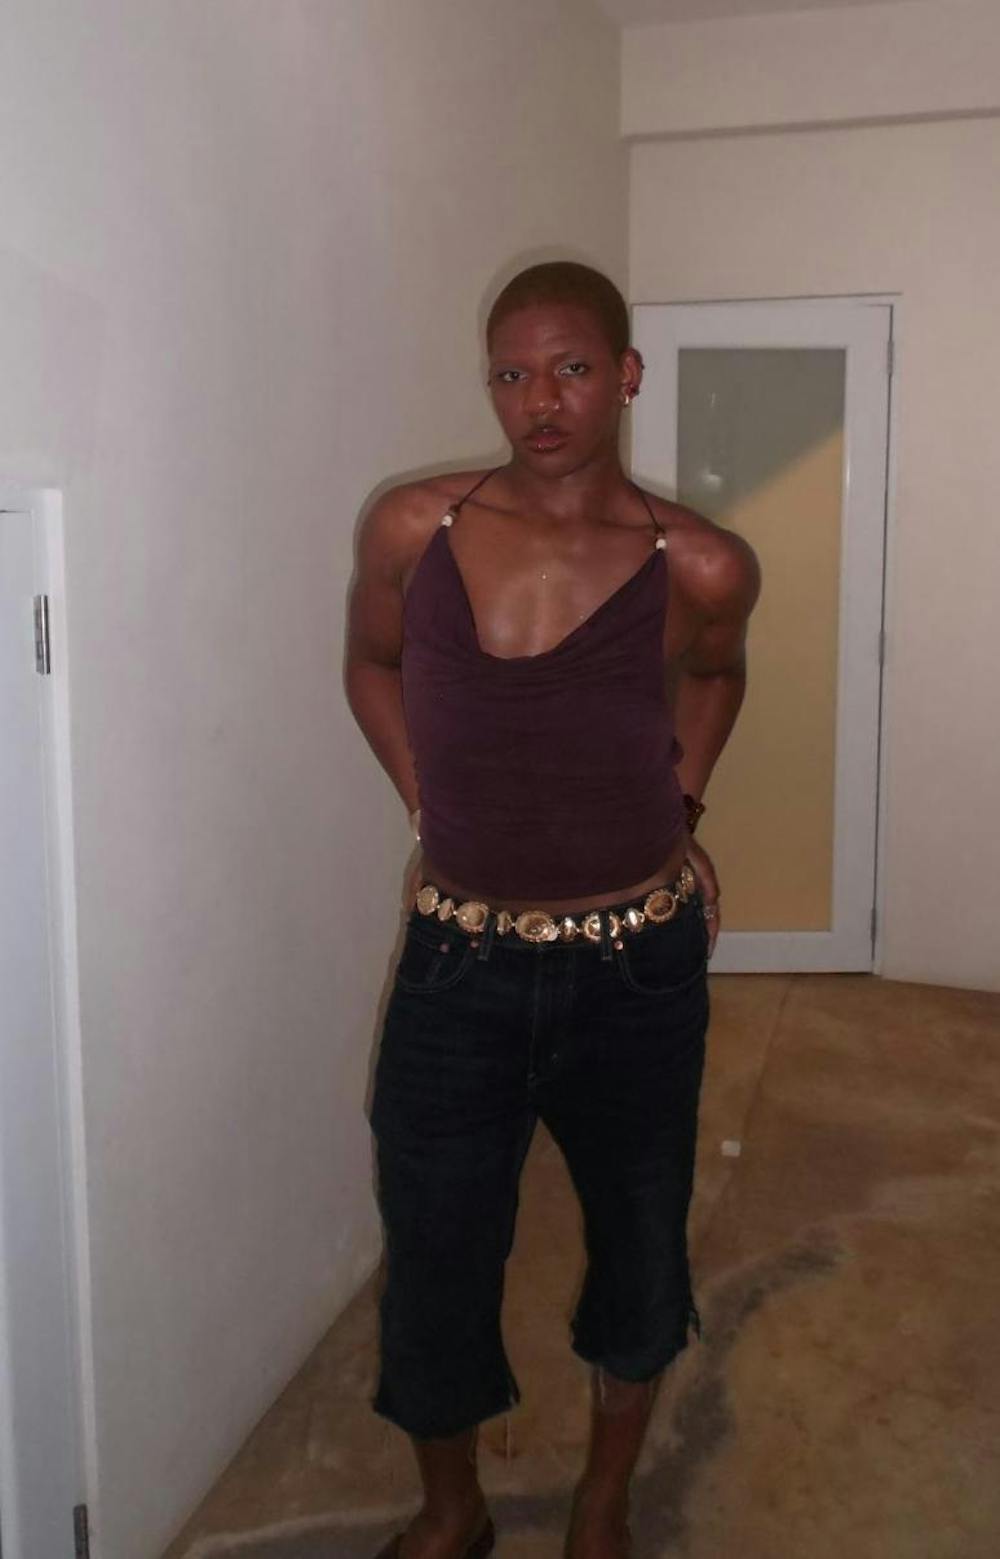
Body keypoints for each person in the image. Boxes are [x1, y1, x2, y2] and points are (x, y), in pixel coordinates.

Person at [345, 260, 760, 1559]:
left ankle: (603, 1499)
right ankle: (452, 1509)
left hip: (637, 971)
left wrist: (679, 807)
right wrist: (427, 803)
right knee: (433, 1252)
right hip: (458, 966)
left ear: (624, 376)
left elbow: (717, 679)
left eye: (571, 368)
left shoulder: (699, 562)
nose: (541, 400)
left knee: (639, 1247)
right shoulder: (414, 529)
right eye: (513, 373)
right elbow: (371, 663)